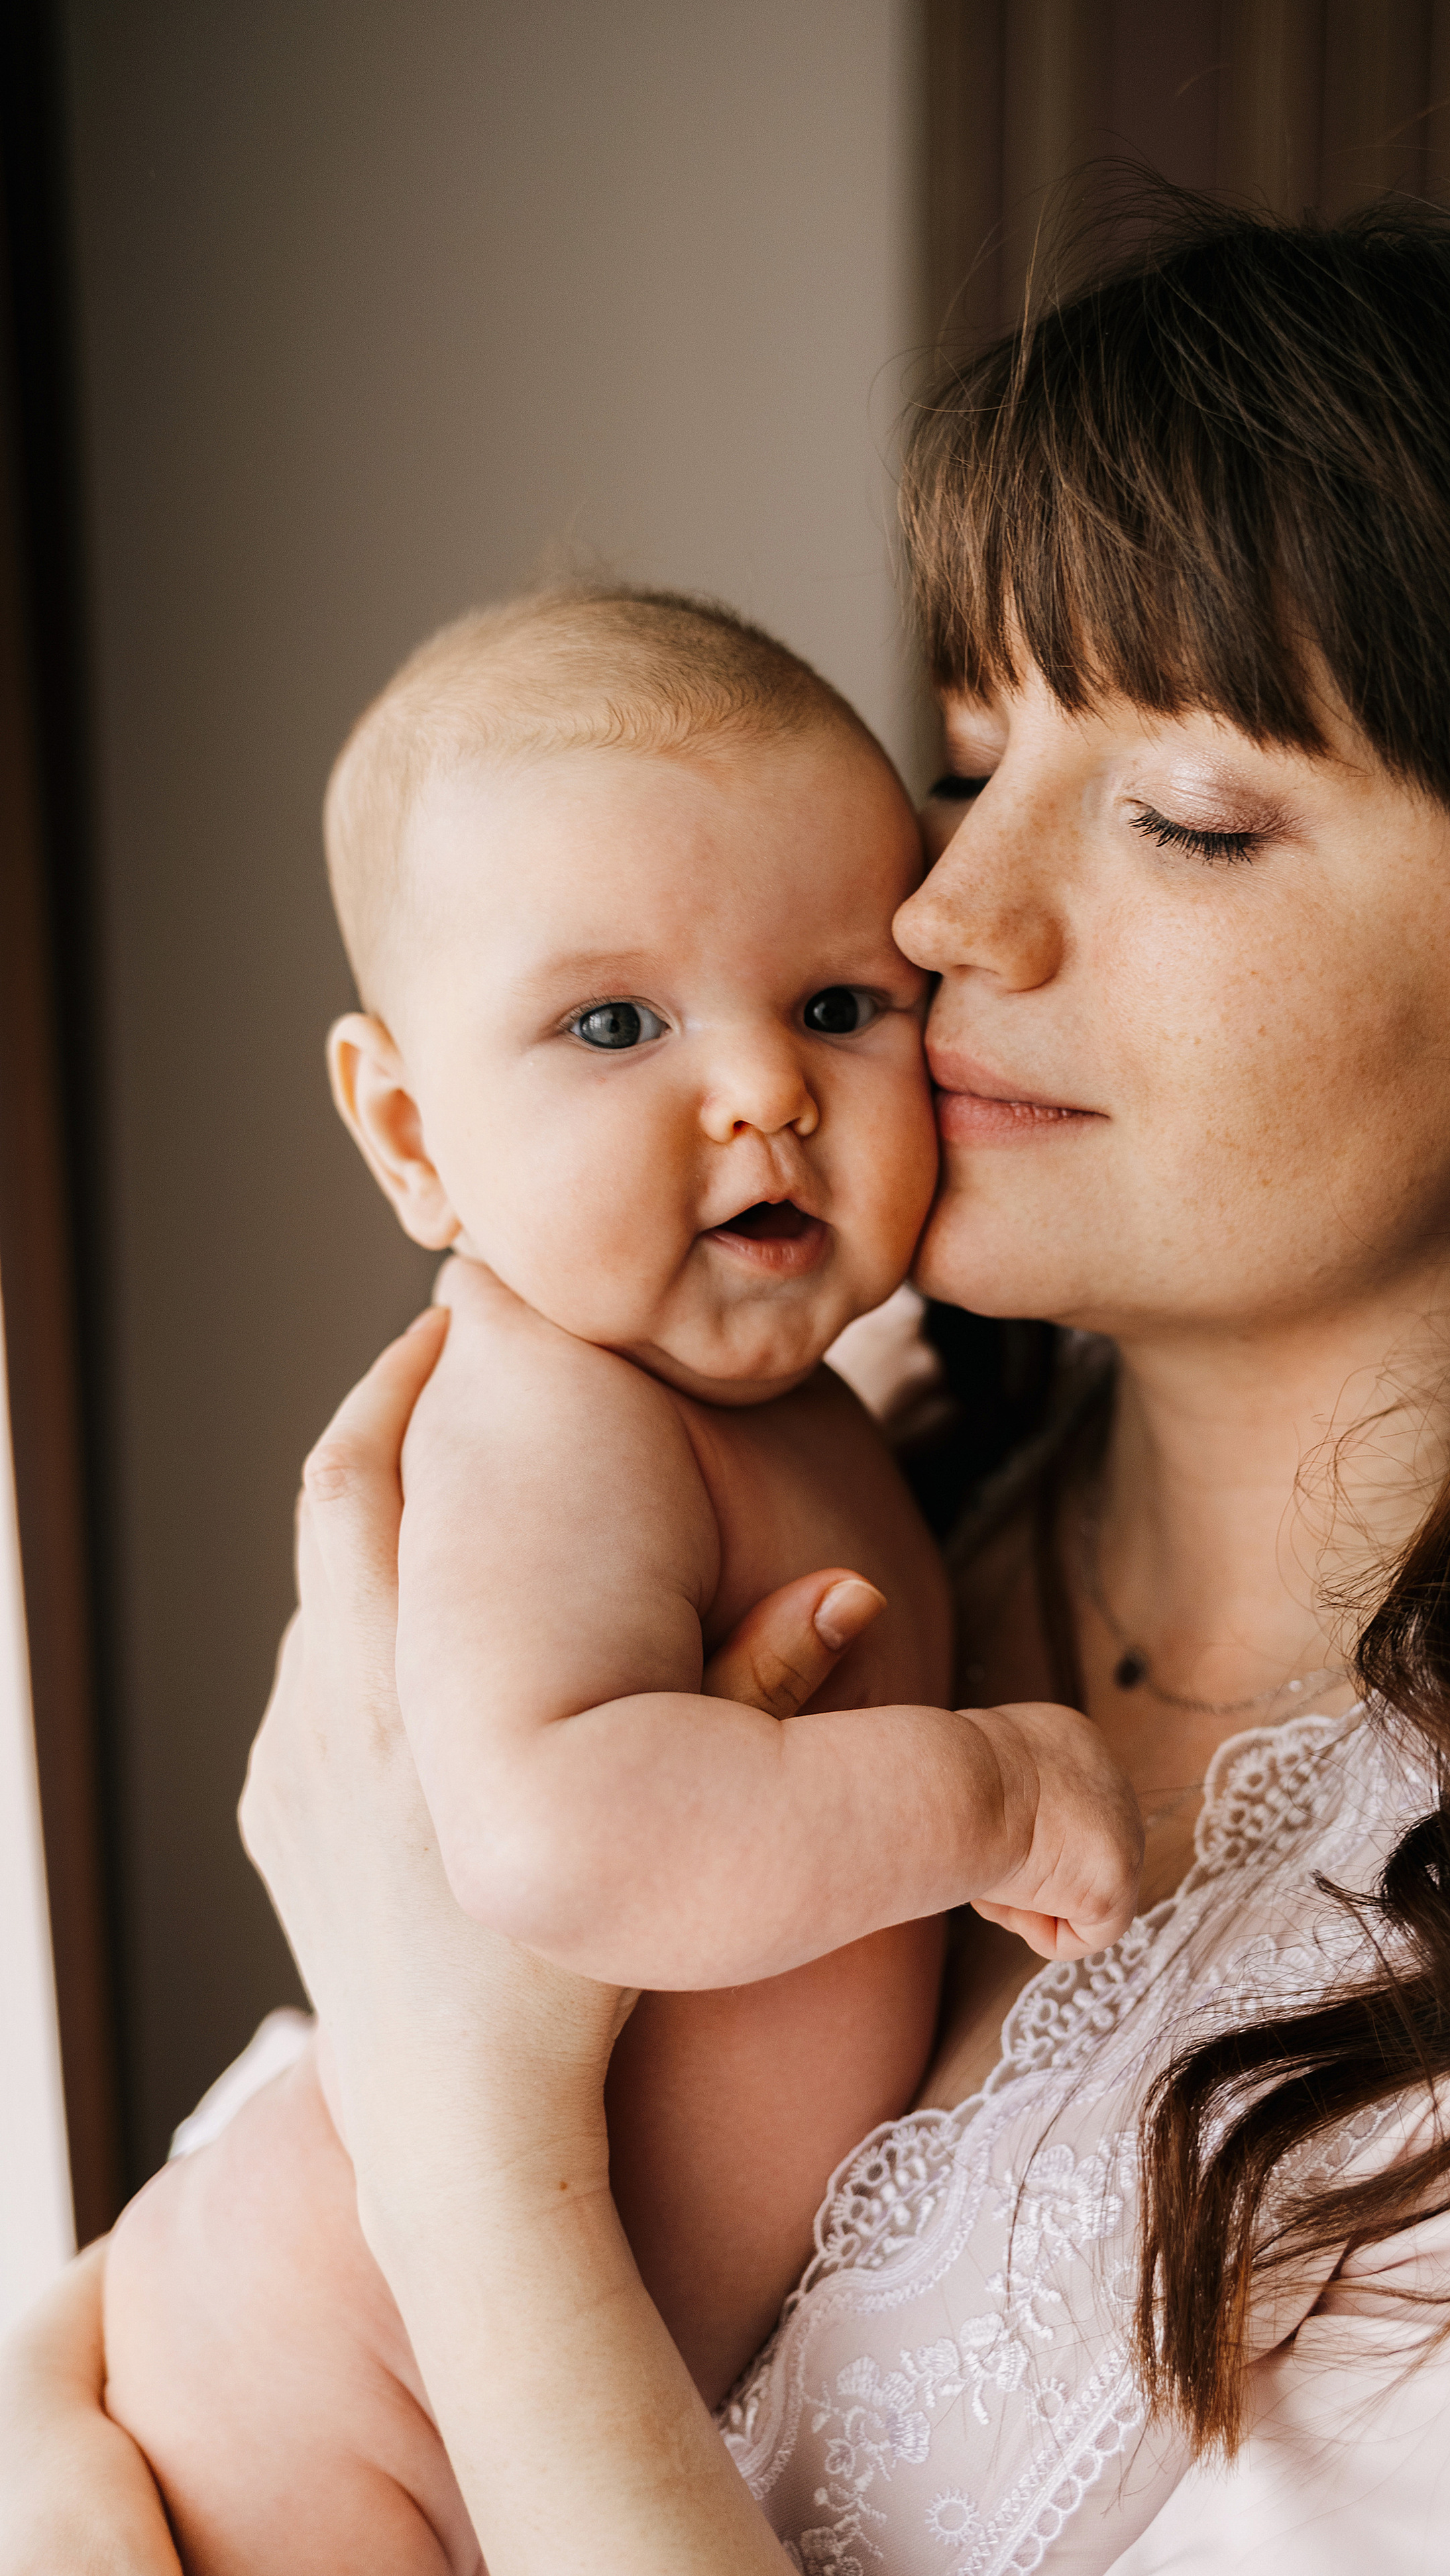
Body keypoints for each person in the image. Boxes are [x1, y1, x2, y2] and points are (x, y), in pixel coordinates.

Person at [8, 191, 1450, 2571]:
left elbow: (422, 2081)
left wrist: (470, 2145)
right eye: (964, 760)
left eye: (1189, 814)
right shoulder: (813, 1450)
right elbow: (134, 2349)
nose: (932, 920)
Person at [94, 587, 1142, 2571]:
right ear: (412, 1131)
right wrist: (985, 1792)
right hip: (336, 2400)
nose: (762, 1090)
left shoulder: (832, 1405)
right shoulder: (549, 1415)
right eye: (613, 1025)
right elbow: (553, 1838)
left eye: (839, 1005)